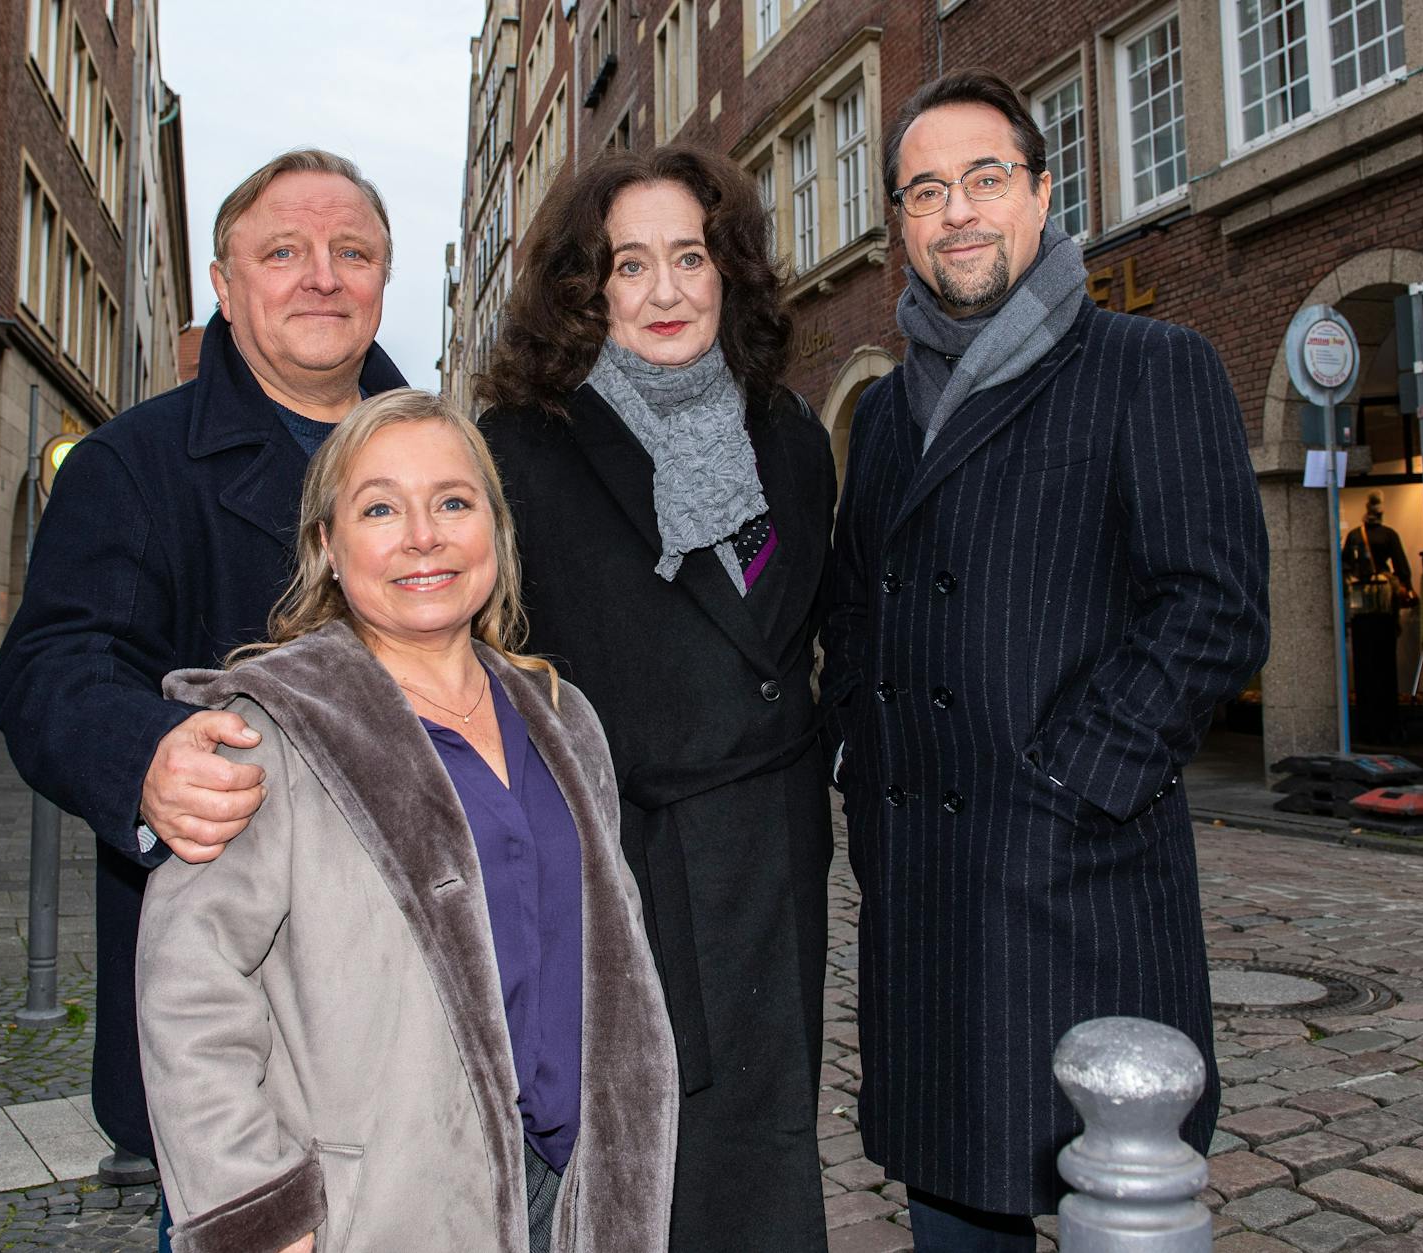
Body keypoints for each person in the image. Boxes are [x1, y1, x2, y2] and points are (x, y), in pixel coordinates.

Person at [820, 70, 1270, 1249]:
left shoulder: (1147, 364)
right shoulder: (878, 416)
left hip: (1076, 890)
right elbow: (856, 619)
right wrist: (869, 795)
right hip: (922, 897)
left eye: (983, 179)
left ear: (1040, 191)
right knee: (950, 1211)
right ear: (899, 228)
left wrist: (1066, 782)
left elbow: (1212, 605)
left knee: (1111, 1197)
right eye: (926, 190)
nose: (956, 210)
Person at [136, 391, 677, 1253]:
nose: (423, 536)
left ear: (493, 532)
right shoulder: (273, 731)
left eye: (453, 503)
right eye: (381, 507)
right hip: (380, 1206)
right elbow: (187, 986)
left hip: (569, 1194)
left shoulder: (564, 718)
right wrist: (260, 1212)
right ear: (328, 545)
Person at [0, 149, 407, 1246]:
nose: (320, 275)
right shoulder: (133, 465)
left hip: (423, 1021)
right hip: (243, 1031)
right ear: (225, 287)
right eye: (283, 252)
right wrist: (145, 755)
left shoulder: (443, 462)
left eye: (349, 251)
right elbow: (50, 666)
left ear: (380, 281)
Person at [477, 145, 835, 1252]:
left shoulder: (790, 436)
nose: (666, 290)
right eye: (630, 265)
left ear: (728, 271)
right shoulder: (524, 449)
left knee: (766, 1148)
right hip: (622, 865)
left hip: (768, 859)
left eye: (690, 255)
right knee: (641, 1161)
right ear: (586, 291)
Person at [1341, 490, 1414, 743]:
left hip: (1361, 604)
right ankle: (1386, 724)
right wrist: (1404, 584)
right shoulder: (1388, 535)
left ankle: (1368, 724)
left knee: (1365, 664)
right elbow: (1402, 567)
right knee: (1384, 664)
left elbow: (1344, 567)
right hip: (1382, 604)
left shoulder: (1354, 536)